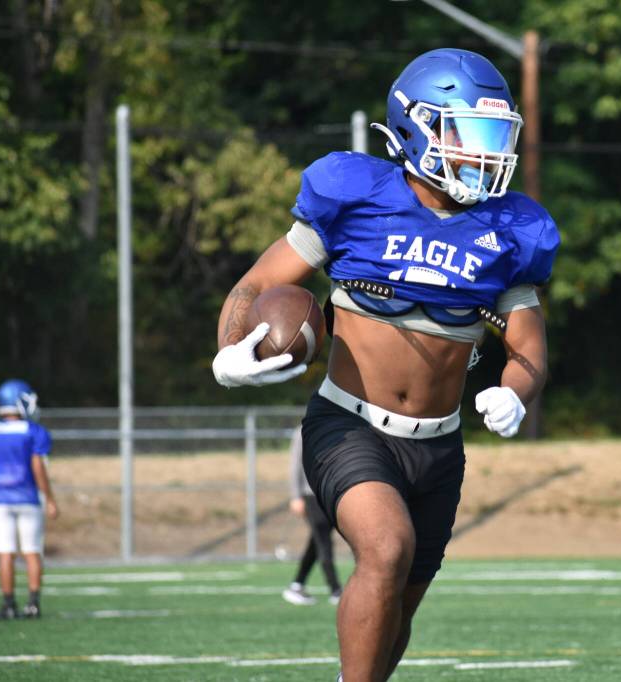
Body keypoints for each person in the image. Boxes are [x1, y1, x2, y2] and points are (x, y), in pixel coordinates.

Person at [212, 48, 558, 681]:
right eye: (468, 133)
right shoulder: (354, 196)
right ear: (415, 127)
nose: (485, 153)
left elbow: (528, 350)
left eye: (494, 136)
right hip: (349, 426)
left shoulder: (512, 231)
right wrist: (229, 353)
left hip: (440, 447)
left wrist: (515, 392)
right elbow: (254, 285)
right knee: (386, 548)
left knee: (401, 606)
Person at [0, 379, 59, 621]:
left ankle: (8, 604)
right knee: (32, 552)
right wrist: (50, 498)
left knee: (5, 553)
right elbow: (37, 467)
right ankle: (33, 604)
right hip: (28, 497)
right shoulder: (33, 432)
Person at [282, 425, 344, 607]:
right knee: (323, 540)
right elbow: (295, 465)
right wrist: (295, 497)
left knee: (316, 542)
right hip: (310, 495)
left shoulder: (338, 426)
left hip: (330, 494)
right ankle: (336, 590)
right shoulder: (304, 431)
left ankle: (296, 585)